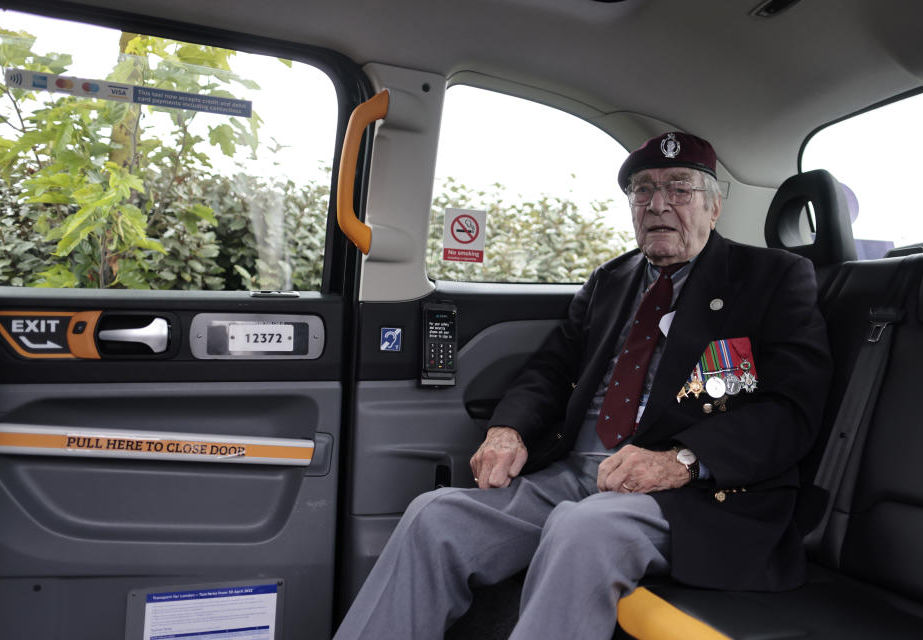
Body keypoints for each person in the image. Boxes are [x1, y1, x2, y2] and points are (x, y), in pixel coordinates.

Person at [333, 131, 832, 639]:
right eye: (643, 190)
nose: (658, 204)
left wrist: (679, 461)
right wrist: (508, 430)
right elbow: (549, 370)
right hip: (574, 477)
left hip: (691, 496)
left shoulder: (772, 278)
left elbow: (791, 410)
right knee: (433, 516)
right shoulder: (610, 281)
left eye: (680, 189)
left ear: (715, 205)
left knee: (583, 529)